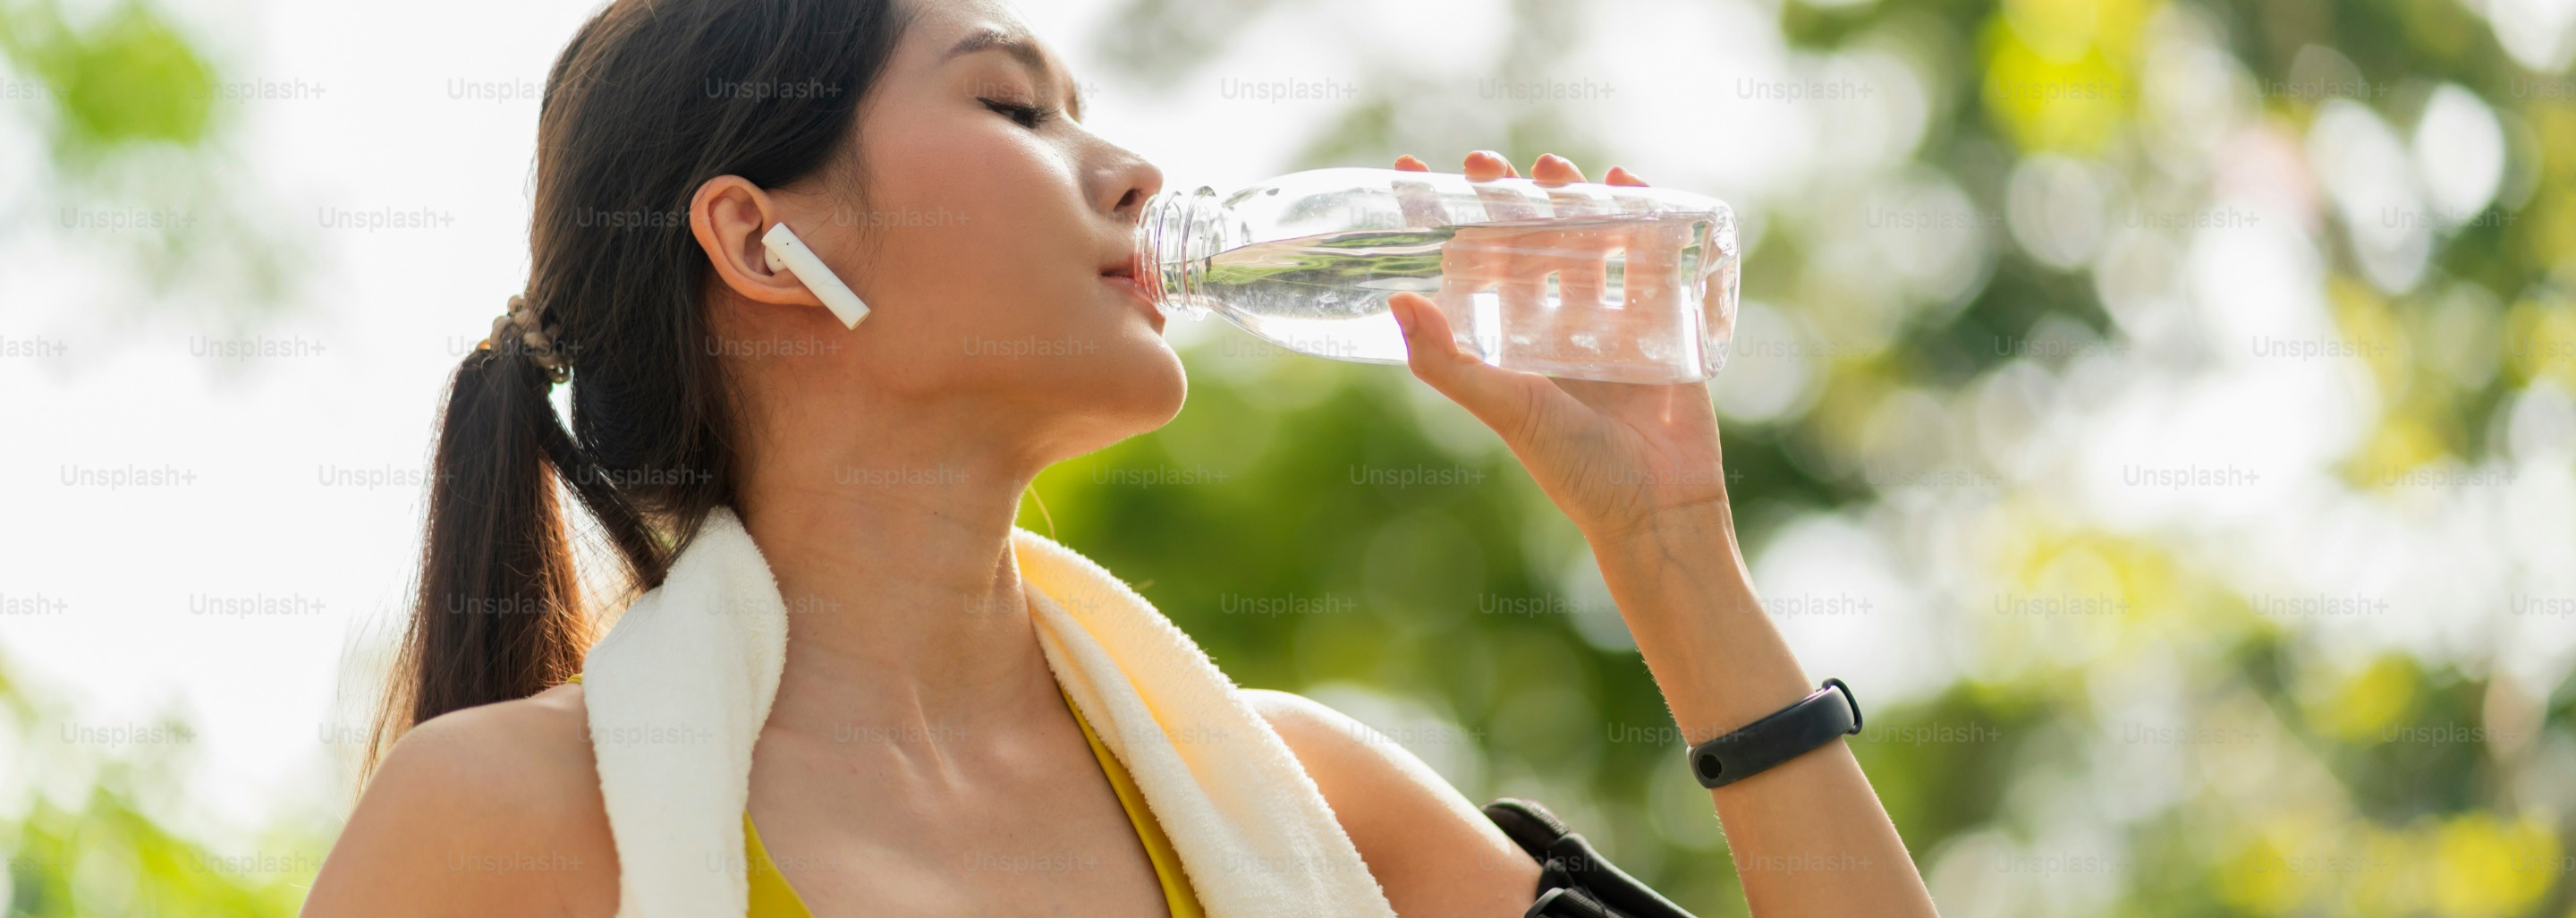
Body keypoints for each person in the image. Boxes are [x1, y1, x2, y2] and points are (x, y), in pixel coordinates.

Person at [299, 1, 1940, 915]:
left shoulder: (1314, 797)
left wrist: (1671, 552)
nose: (1138, 171)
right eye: (1015, 110)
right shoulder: (506, 825)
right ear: (761, 235)